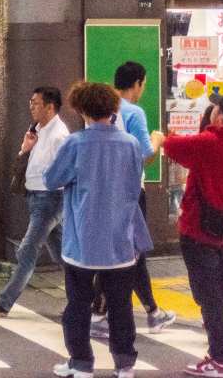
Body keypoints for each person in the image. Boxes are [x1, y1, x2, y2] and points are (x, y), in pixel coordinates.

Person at [44, 82, 151, 378]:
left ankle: (81, 363)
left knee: (78, 304)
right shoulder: (130, 144)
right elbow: (134, 186)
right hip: (121, 240)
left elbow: (52, 179)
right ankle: (125, 364)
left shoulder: (75, 144)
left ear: (81, 110)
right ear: (113, 109)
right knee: (121, 305)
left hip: (83, 239)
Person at [151, 94, 223, 377]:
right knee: (219, 294)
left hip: (200, 229)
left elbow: (172, 146)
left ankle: (220, 359)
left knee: (209, 297)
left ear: (221, 116)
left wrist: (159, 137)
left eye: (216, 108)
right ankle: (221, 352)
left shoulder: (210, 142)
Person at [90, 61, 174, 338]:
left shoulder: (101, 109)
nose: (142, 90)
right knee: (130, 252)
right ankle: (103, 313)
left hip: (104, 191)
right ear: (137, 83)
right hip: (129, 193)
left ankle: (149, 312)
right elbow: (144, 156)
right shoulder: (133, 112)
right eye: (143, 84)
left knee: (122, 252)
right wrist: (158, 140)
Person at [0, 86, 72, 316]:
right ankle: (88, 297)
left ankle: (4, 302)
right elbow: (22, 165)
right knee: (63, 254)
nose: (31, 107)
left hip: (50, 198)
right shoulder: (37, 130)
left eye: (35, 103)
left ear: (50, 107)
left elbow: (66, 171)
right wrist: (25, 149)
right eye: (30, 102)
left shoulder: (60, 135)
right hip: (35, 196)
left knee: (27, 250)